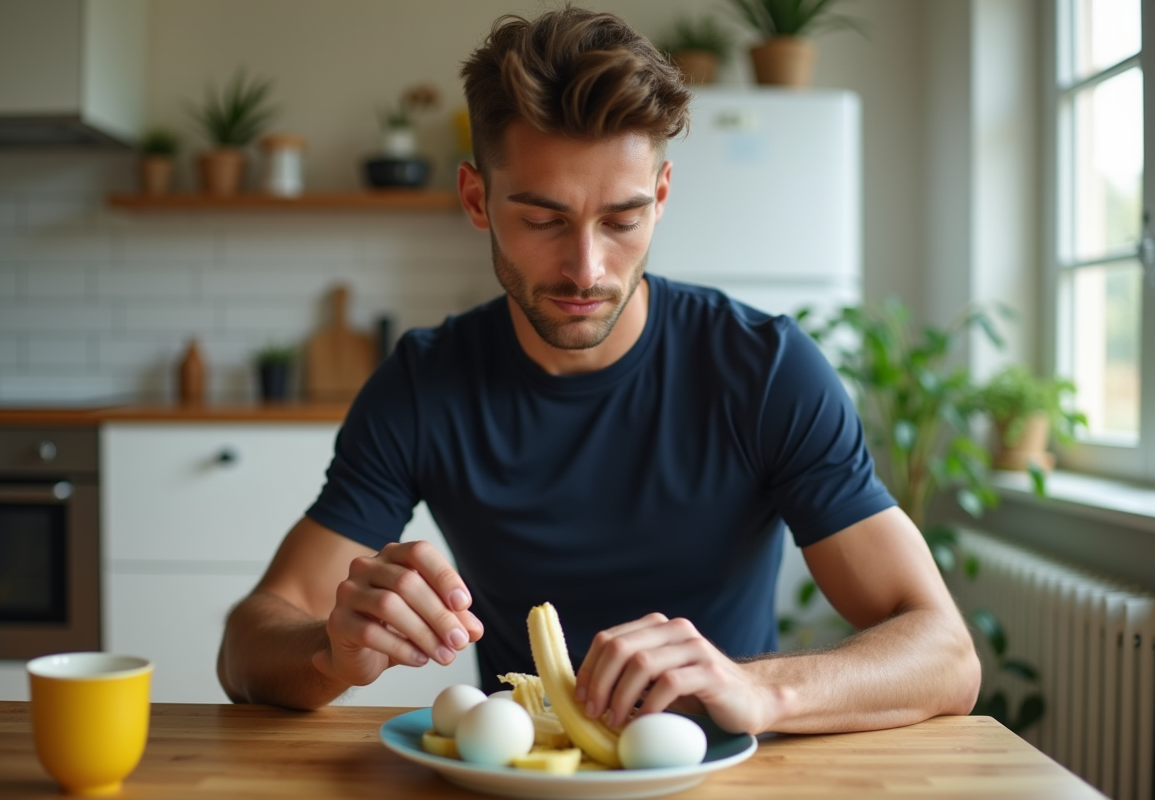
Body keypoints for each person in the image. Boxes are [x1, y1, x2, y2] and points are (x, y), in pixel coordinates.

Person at [218, 6, 980, 736]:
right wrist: (330, 653)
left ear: (662, 196)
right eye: (544, 220)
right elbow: (248, 644)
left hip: (725, 776)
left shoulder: (765, 370)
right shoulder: (424, 385)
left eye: (622, 220)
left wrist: (760, 688)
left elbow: (945, 654)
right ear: (477, 200)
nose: (587, 269)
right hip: (521, 775)